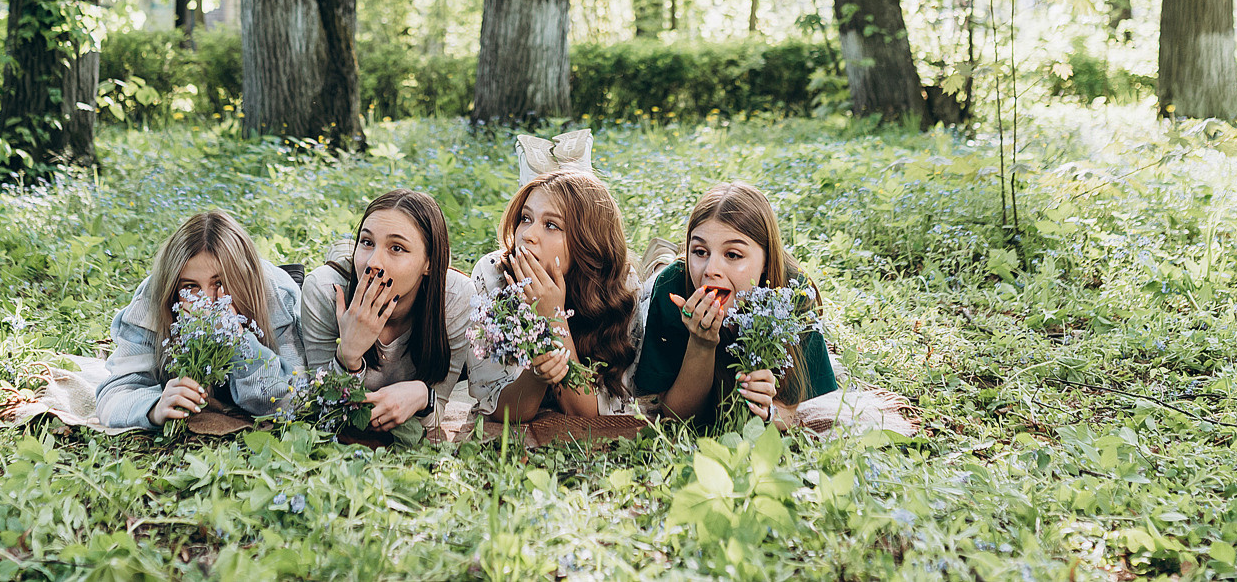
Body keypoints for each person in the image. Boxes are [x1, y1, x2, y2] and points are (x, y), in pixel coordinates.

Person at [633, 182, 839, 431]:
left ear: (766, 260)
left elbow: (790, 409)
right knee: (655, 273)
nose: (711, 270)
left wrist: (768, 410)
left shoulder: (792, 293)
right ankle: (661, 254)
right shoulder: (671, 286)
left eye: (732, 255)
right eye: (700, 251)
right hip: (656, 285)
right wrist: (701, 343)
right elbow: (677, 417)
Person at [91, 209, 303, 428]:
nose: (207, 303)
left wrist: (238, 341)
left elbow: (295, 399)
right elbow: (114, 395)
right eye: (191, 287)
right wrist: (154, 408)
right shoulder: (153, 299)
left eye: (219, 283)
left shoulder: (276, 296)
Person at [467, 170, 644, 421]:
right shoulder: (493, 275)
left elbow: (590, 414)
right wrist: (539, 373)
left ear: (588, 241)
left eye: (551, 225)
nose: (528, 235)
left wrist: (554, 316)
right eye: (526, 218)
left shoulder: (618, 285)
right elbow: (499, 409)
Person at [300, 189, 472, 433]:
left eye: (397, 248)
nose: (373, 262)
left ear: (429, 262)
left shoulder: (456, 298)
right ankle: (340, 253)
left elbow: (437, 410)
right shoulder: (324, 291)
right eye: (367, 242)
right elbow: (323, 414)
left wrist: (424, 395)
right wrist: (348, 357)